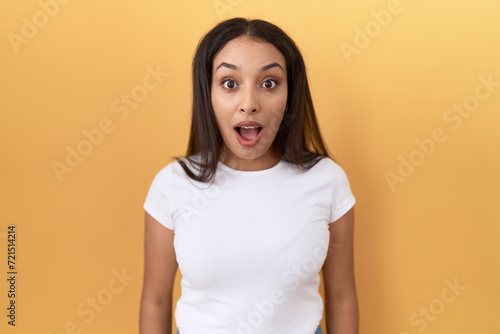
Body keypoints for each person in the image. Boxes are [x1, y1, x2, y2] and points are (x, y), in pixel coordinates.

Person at [139, 17, 359, 334]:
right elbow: (155, 301)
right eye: (230, 83)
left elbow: (342, 296)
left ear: (290, 94)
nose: (249, 104)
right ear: (207, 93)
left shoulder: (327, 181)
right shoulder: (172, 185)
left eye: (269, 83)